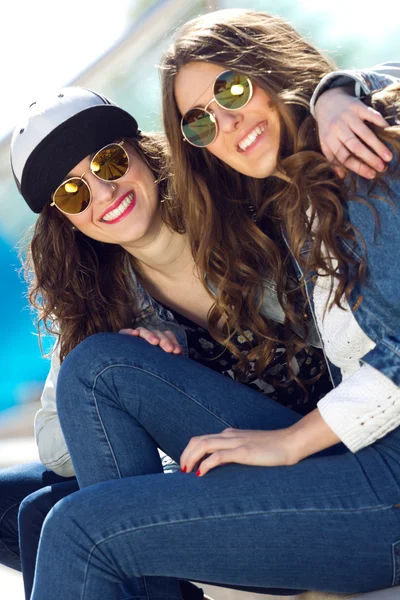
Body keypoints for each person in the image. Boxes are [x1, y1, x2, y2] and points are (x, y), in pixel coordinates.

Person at [3, 23, 399, 597]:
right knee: (43, 490)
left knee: (71, 523)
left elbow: (333, 98)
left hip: (337, 445)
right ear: (64, 220)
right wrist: (152, 357)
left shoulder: (247, 197)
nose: (103, 193)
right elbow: (58, 444)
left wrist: (338, 91)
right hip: (280, 449)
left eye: (109, 163)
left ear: (144, 151)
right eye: (72, 193)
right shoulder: (107, 301)